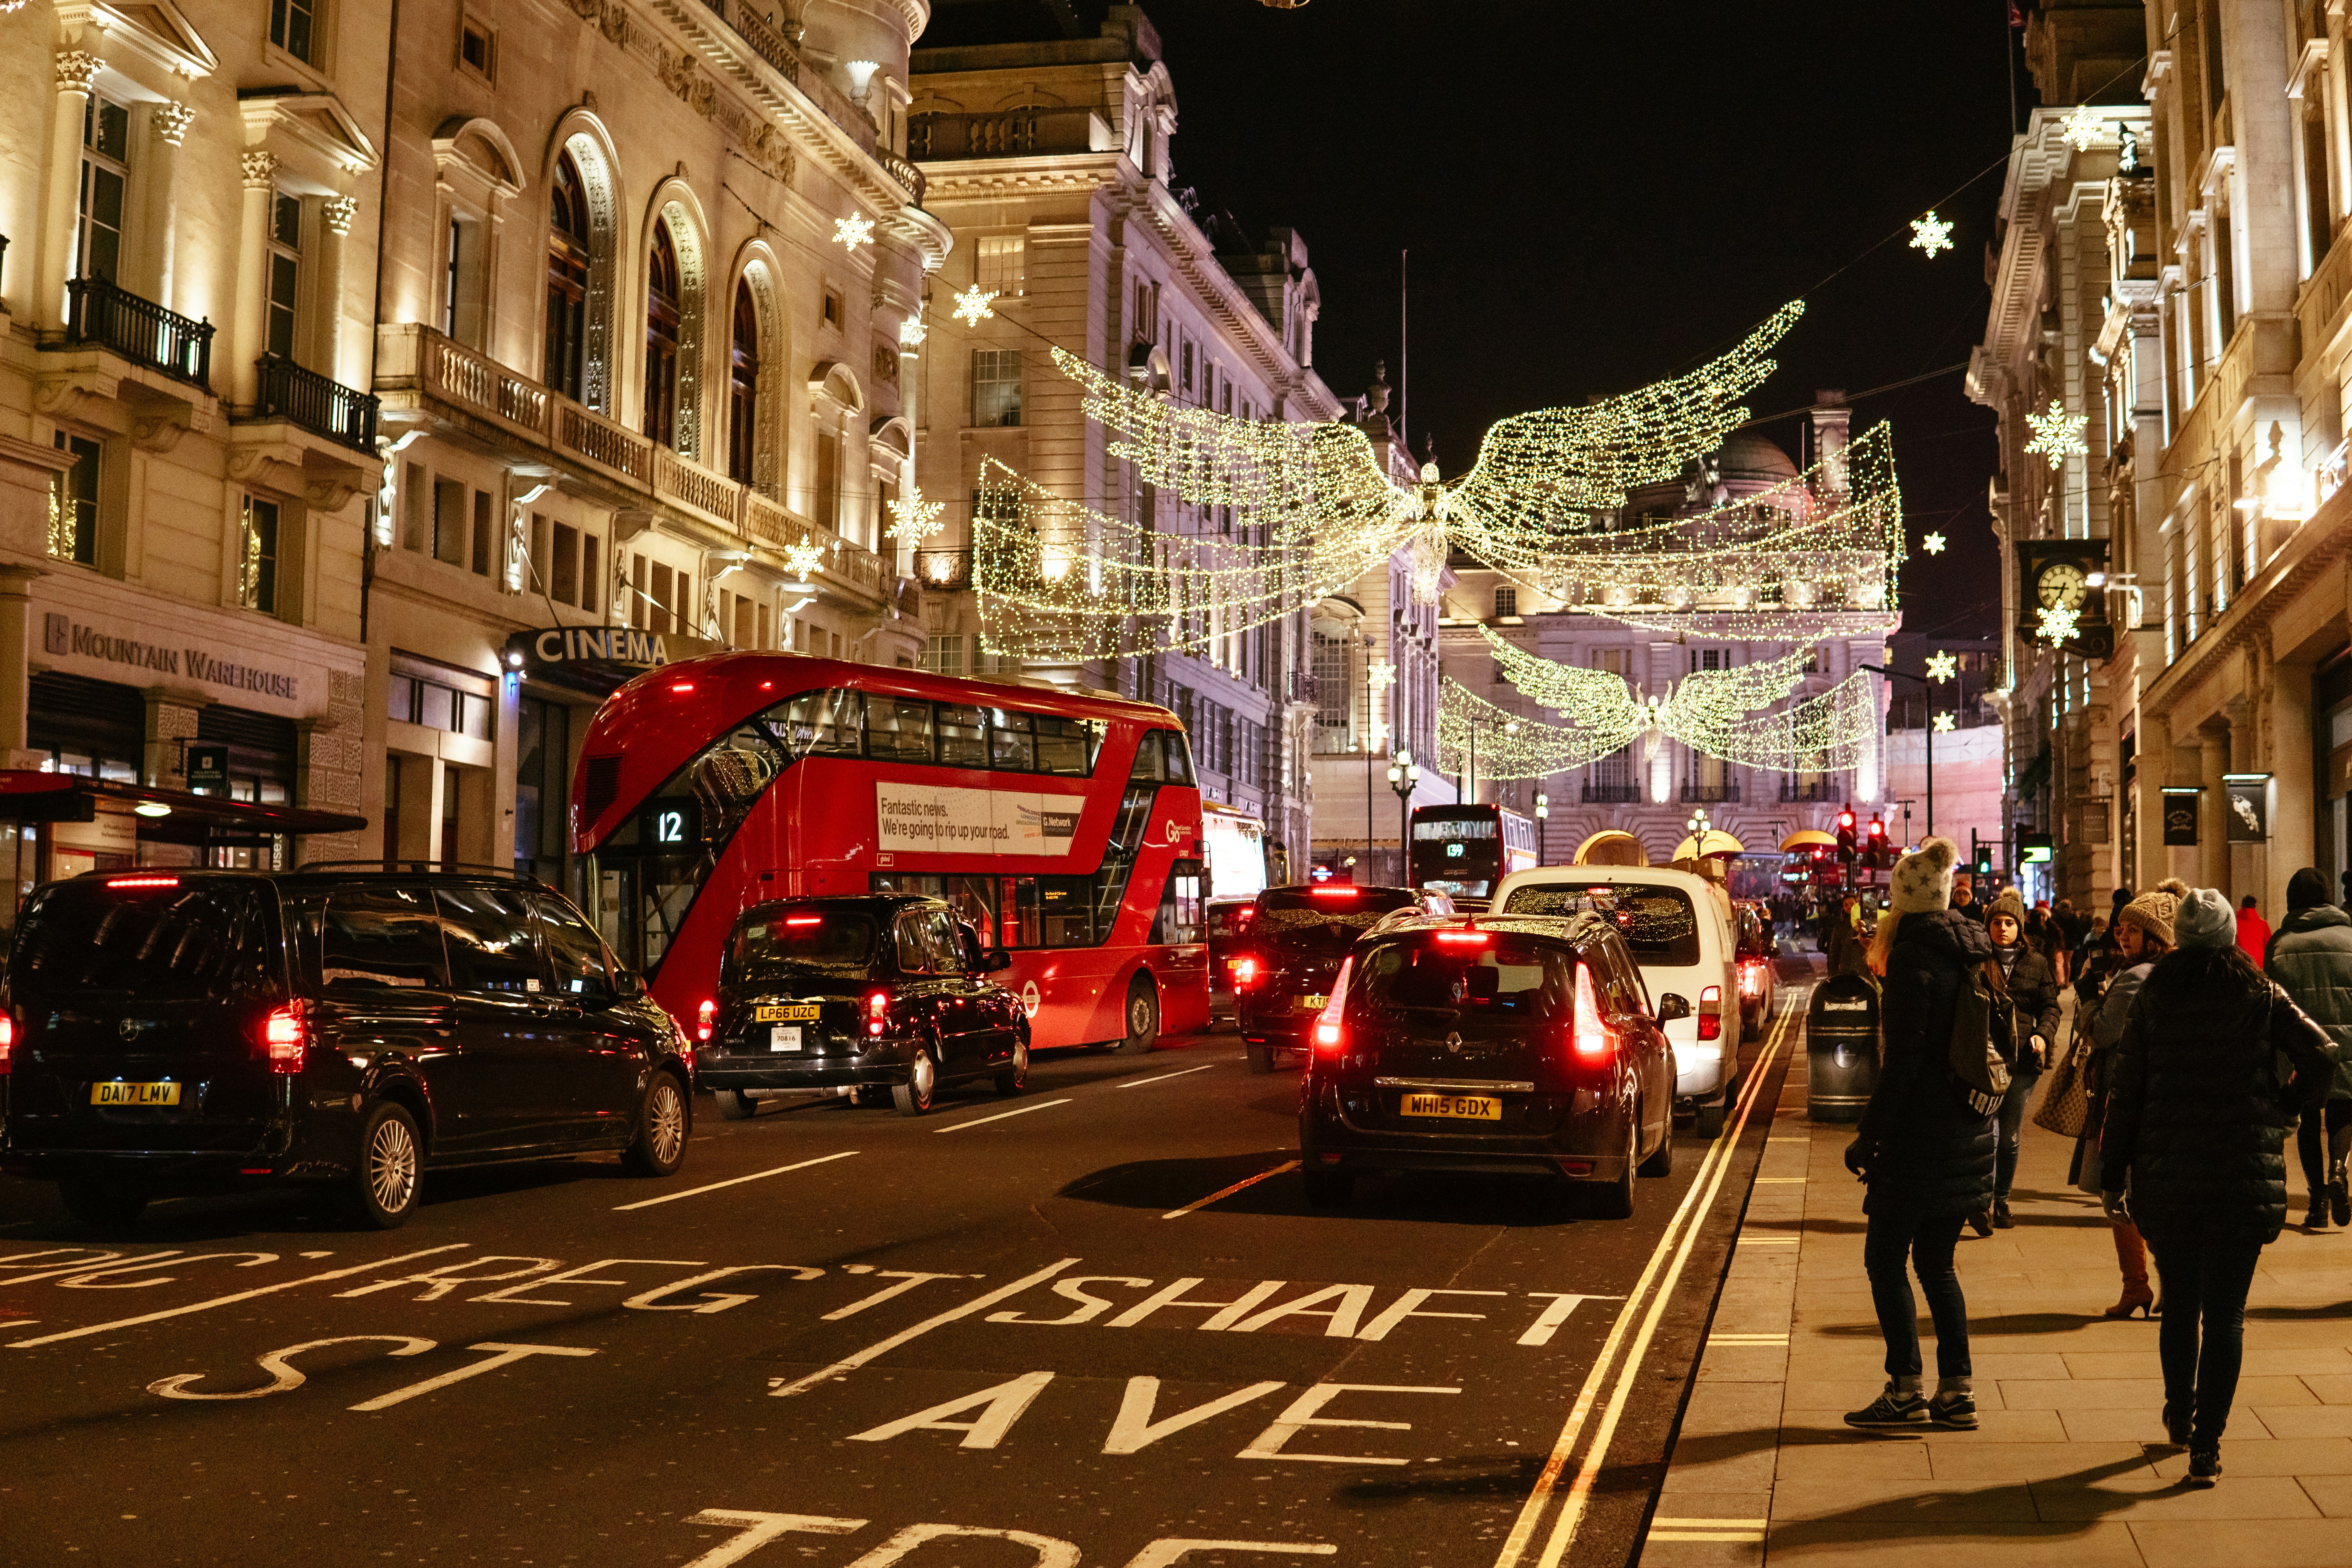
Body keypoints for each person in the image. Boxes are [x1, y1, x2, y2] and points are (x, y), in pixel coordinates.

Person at [2100, 887, 2334, 1484]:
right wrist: (2285, 1106)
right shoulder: (2258, 991)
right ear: (2229, 935)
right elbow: (2322, 1055)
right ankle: (2207, 1443)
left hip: (2168, 1172)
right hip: (2239, 1171)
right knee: (2226, 1313)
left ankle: (2178, 1413)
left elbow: (2126, 1089)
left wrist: (2113, 1170)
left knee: (2180, 1301)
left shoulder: (2154, 994)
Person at [1842, 837, 1997, 1431]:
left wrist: (1869, 1135)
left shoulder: (1911, 958)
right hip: (1964, 1125)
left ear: (1901, 903)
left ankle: (1904, 1387)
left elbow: (1904, 1059)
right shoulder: (1967, 949)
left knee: (1884, 1258)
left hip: (1920, 1135)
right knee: (1936, 1263)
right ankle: (1956, 1392)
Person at [2078, 880, 2186, 1319]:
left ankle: (2138, 1285)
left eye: (2133, 931)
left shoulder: (2137, 977)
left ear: (2157, 936)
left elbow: (2102, 1031)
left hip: (2125, 1096)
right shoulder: (2176, 973)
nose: (2122, 937)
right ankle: (2166, 1286)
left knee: (2119, 1195)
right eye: (2121, 929)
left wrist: (2088, 999)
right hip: (2165, 1096)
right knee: (2154, 1193)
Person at [2264, 867, 2352, 1230]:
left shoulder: (2281, 944)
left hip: (2301, 1048)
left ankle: (2316, 1203)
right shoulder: (2350, 937)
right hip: (2346, 1042)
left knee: (2306, 1119)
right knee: (2343, 1108)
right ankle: (2339, 1170)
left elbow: (2268, 1001)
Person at [1972, 889, 2059, 1234]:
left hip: (2024, 1061)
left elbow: (2050, 1006)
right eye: (1996, 922)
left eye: (2009, 922)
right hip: (1985, 1059)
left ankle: (2002, 1200)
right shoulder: (1977, 960)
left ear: (2019, 926)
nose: (2002, 928)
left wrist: (2043, 1033)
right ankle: (1981, 1201)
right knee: (1985, 1134)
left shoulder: (2036, 962)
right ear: (1988, 926)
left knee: (2007, 1136)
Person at [2237, 895, 2272, 969]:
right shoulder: (2263, 924)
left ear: (2242, 905)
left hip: (2240, 963)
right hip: (2258, 964)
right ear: (2255, 906)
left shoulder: (2235, 923)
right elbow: (2269, 946)